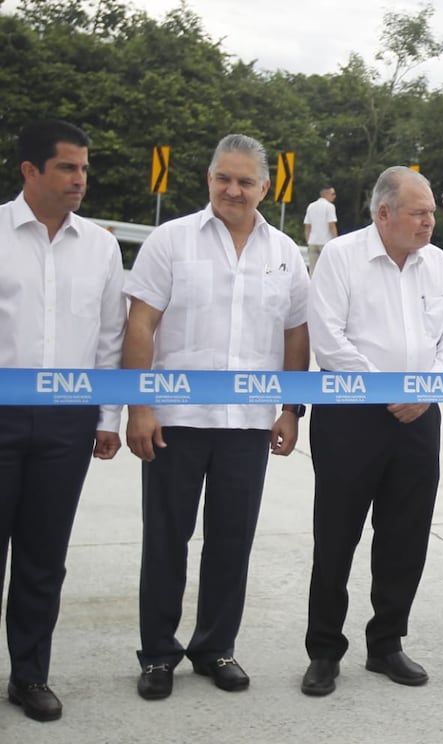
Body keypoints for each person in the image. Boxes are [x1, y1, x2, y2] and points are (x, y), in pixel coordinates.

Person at [123, 134, 310, 701]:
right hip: (174, 419)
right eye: (223, 178)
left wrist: (291, 409)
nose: (233, 189)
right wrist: (140, 405)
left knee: (232, 541)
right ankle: (158, 655)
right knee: (166, 540)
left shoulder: (285, 253)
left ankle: (215, 648)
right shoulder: (171, 241)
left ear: (266, 186)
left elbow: (295, 333)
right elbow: (140, 325)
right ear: (208, 179)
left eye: (246, 181)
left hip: (248, 424)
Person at [300, 167, 443, 696]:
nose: (429, 222)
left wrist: (425, 389)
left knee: (405, 536)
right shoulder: (342, 257)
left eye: (432, 211)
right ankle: (324, 650)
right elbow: (329, 341)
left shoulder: (435, 263)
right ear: (384, 214)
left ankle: (387, 643)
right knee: (337, 537)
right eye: (419, 212)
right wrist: (385, 391)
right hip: (351, 415)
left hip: (419, 416)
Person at [0, 119, 125, 722]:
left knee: (43, 557)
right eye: (67, 168)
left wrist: (107, 416)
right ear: (30, 171)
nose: (80, 179)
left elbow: (109, 338)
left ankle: (30, 676)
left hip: (67, 423)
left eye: (83, 167)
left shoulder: (100, 246)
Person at [304, 185, 338, 272]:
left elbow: (307, 226)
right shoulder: (330, 207)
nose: (334, 196)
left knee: (313, 270)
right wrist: (336, 241)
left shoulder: (311, 206)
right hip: (325, 243)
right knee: (326, 270)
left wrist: (308, 240)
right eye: (333, 194)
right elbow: (331, 225)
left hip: (313, 242)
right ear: (326, 194)